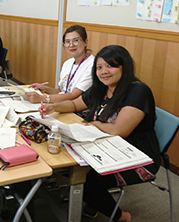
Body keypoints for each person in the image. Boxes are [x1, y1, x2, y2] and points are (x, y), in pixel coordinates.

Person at [41, 45, 160, 222]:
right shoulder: (101, 88)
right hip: (104, 144)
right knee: (63, 163)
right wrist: (54, 107)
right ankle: (94, 203)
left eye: (110, 66)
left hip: (137, 155)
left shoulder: (137, 91)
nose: (104, 71)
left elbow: (119, 131)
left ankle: (122, 217)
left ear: (124, 67)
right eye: (99, 67)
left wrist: (94, 124)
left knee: (88, 184)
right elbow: (75, 105)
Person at [26, 25, 94, 104]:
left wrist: (42, 98)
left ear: (85, 42)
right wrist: (45, 89)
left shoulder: (92, 65)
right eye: (67, 41)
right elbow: (62, 91)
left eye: (76, 40)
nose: (71, 45)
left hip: (78, 110)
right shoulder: (68, 63)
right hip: (64, 104)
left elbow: (73, 95)